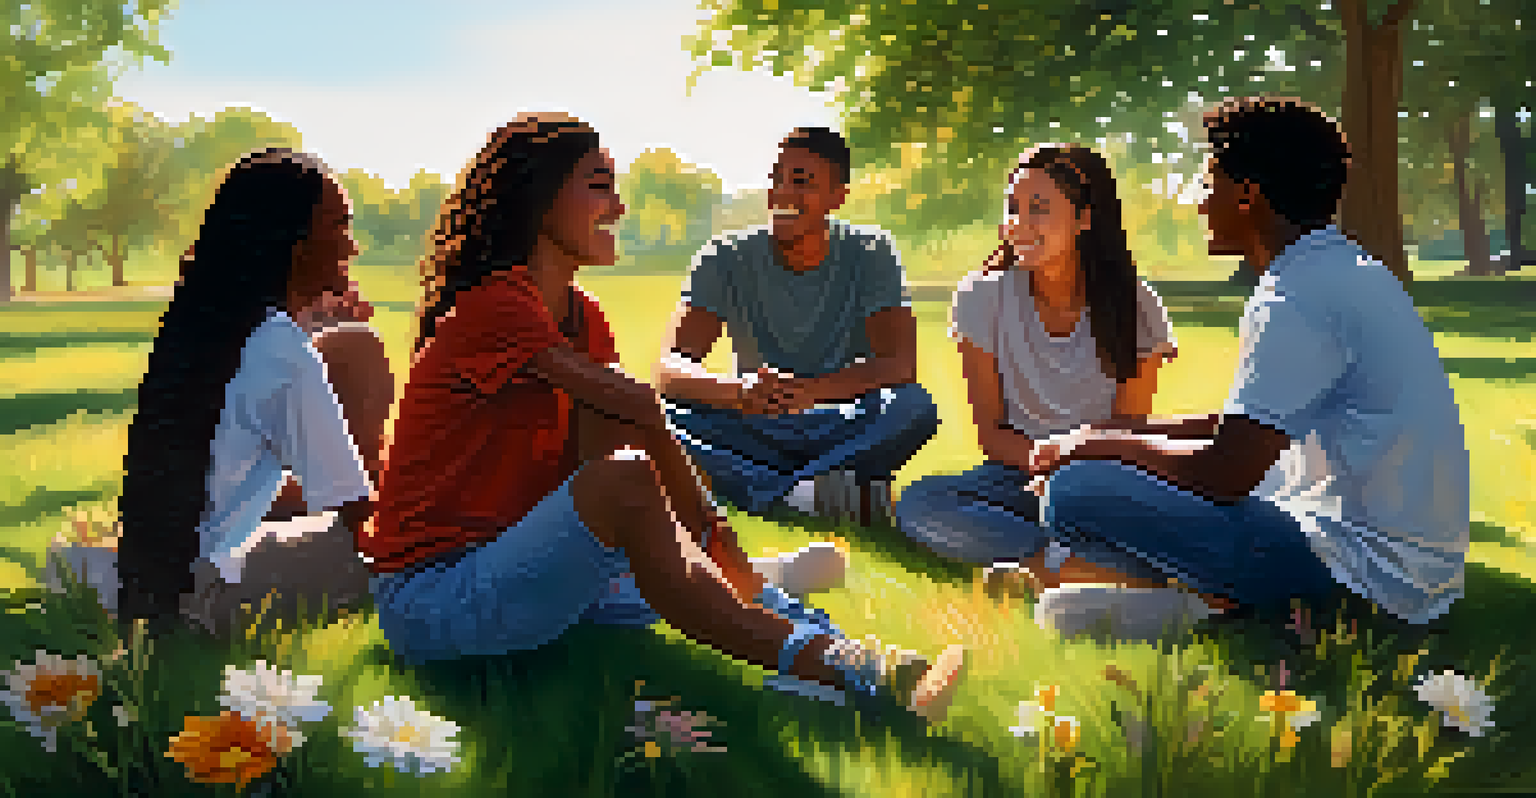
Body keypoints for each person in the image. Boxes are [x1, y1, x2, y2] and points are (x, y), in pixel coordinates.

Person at [362, 113, 966, 722]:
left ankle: (809, 644)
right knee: (633, 483)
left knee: (653, 516)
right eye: (599, 186)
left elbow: (622, 423)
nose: (619, 206)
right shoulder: (495, 304)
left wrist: (707, 534)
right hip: (433, 600)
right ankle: (836, 663)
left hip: (522, 568)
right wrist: (711, 528)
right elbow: (642, 406)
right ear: (540, 202)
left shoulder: (582, 315)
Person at [1009, 96, 1469, 631]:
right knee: (1097, 486)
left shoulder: (1297, 295)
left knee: (1078, 492)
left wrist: (1092, 447)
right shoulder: (1342, 268)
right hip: (1407, 568)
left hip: (1360, 573)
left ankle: (1242, 607)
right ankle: (1207, 604)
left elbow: (1226, 470)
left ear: (1247, 193)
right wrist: (1109, 432)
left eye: (1209, 184)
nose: (1201, 203)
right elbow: (1246, 427)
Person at [117, 149, 393, 638]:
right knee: (403, 557)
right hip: (210, 593)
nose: (351, 246)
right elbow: (354, 510)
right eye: (339, 225)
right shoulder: (281, 348)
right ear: (296, 242)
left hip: (159, 579)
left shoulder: (205, 328)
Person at [893, 144, 1178, 573]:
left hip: (1099, 478)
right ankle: (1063, 562)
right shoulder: (981, 297)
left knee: (1166, 514)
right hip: (1016, 475)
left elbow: (1128, 432)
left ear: (1085, 219)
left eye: (1038, 208)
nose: (1018, 224)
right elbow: (990, 434)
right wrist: (1042, 464)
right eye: (1013, 208)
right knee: (921, 502)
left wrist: (1071, 472)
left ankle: (1055, 555)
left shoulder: (1138, 307)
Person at [653, 127, 940, 527]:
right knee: (654, 414)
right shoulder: (723, 257)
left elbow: (899, 365)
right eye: (776, 179)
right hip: (754, 421)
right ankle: (806, 492)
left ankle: (775, 487)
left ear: (837, 196)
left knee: (914, 407)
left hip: (839, 421)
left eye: (801, 182)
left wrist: (808, 392)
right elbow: (670, 368)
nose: (783, 194)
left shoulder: (871, 251)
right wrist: (737, 393)